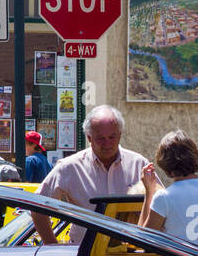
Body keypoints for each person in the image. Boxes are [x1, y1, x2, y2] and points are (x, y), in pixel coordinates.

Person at [36, 104, 150, 244]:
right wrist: (52, 246)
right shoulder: (69, 167)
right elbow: (38, 207)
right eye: (100, 138)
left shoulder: (139, 164)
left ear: (120, 134)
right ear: (89, 137)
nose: (107, 143)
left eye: (112, 137)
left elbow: (161, 208)